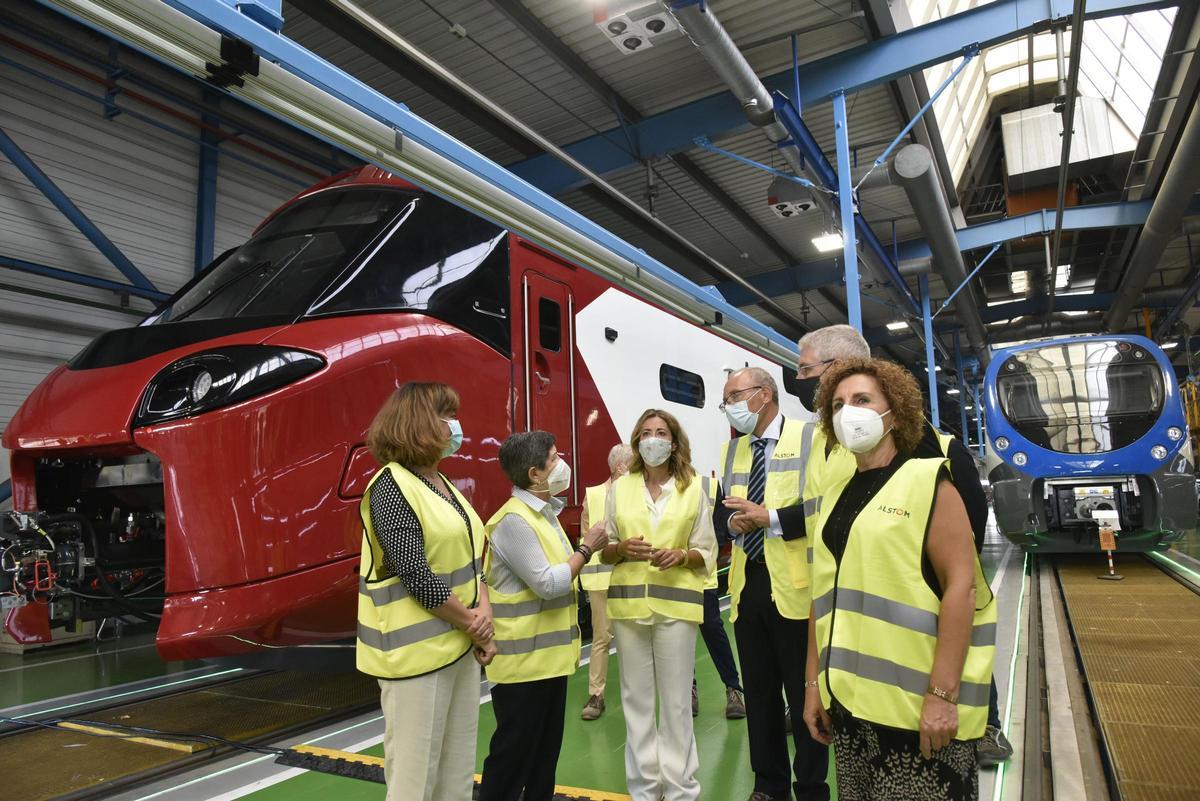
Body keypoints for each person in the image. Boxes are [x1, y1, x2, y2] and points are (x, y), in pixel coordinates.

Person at [795, 325, 1012, 765]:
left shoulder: (933, 466)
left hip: (919, 701)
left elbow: (959, 583)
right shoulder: (838, 479)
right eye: (837, 405)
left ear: (893, 411)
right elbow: (827, 588)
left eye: (861, 401)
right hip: (853, 697)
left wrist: (942, 693)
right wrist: (815, 684)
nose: (846, 413)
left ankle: (989, 724)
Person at [356, 382, 494, 801]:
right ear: (417, 423)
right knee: (414, 780)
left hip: (457, 648)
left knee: (455, 774)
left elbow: (475, 557)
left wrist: (483, 615)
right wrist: (474, 623)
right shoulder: (391, 485)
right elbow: (414, 573)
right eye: (446, 415)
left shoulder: (442, 484)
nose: (455, 425)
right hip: (415, 660)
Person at [716, 367, 829, 801]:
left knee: (804, 694)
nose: (729, 405)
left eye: (734, 395)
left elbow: (822, 508)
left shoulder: (810, 438)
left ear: (764, 395)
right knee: (760, 697)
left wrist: (770, 518)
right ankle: (769, 785)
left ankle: (812, 787)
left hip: (798, 590)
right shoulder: (734, 450)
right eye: (725, 398)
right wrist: (733, 521)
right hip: (749, 588)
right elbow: (722, 513)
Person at [479, 431, 609, 801]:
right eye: (554, 459)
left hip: (547, 662)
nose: (561, 463)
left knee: (542, 759)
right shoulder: (514, 522)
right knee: (512, 758)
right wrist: (588, 547)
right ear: (535, 473)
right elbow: (548, 583)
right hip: (522, 666)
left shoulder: (544, 513)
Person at [600, 409, 717, 801]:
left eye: (661, 432)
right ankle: (645, 790)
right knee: (636, 701)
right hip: (630, 608)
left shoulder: (693, 487)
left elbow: (707, 550)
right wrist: (621, 549)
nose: (653, 439)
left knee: (676, 703)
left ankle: (682, 789)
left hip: (677, 609)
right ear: (637, 442)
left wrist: (681, 557)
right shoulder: (621, 488)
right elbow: (606, 552)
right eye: (647, 432)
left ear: (673, 441)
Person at [579, 443, 633, 721]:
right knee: (602, 636)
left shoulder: (636, 494)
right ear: (619, 467)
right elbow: (588, 536)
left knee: (632, 636)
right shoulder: (594, 495)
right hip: (601, 576)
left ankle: (634, 691)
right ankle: (596, 694)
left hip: (629, 576)